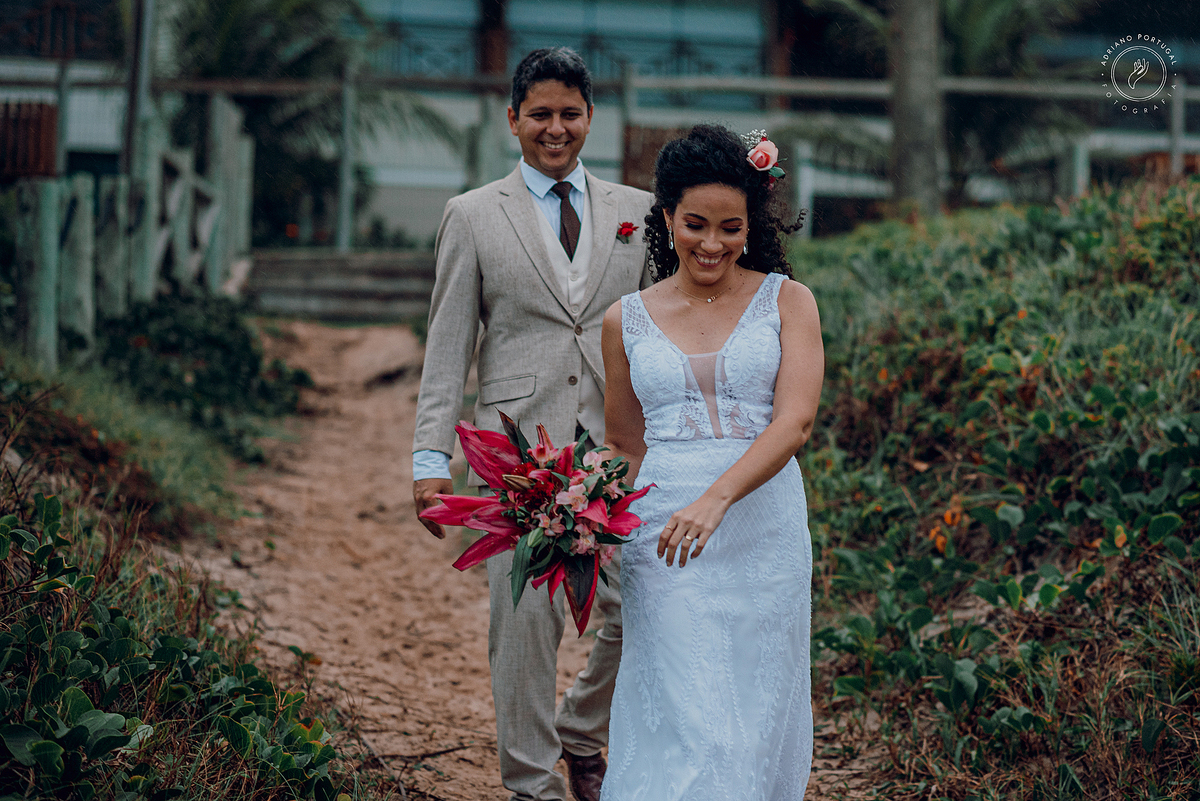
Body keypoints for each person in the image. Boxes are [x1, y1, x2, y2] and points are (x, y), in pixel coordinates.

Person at [411, 48, 654, 801]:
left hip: (615, 448)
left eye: (570, 113)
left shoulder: (640, 211)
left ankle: (581, 727)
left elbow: (660, 329)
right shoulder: (472, 214)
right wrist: (430, 458)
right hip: (513, 452)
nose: (556, 128)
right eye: (540, 114)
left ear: (591, 117)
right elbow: (449, 344)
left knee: (643, 608)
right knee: (522, 623)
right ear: (512, 119)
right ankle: (531, 782)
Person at [597, 124, 823, 800]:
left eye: (732, 227)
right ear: (667, 217)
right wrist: (579, 510)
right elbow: (624, 445)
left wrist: (717, 498)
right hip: (664, 538)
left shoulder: (789, 301)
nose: (713, 244)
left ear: (752, 225)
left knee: (752, 714)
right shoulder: (624, 319)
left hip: (763, 530)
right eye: (696, 224)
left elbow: (795, 422)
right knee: (687, 714)